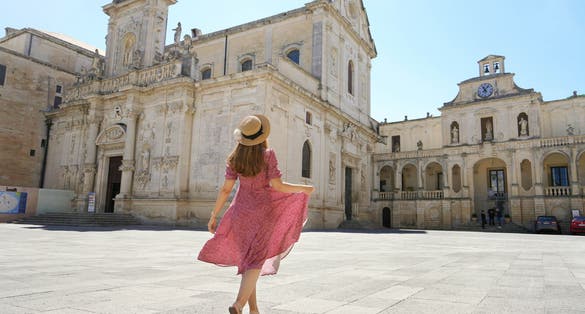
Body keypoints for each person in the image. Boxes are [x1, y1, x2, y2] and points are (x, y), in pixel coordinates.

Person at [198, 114, 315, 314]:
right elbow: (277, 185)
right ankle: (239, 304)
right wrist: (303, 189)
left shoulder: (234, 158)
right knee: (255, 261)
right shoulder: (268, 154)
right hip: (263, 214)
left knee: (248, 261)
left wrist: (213, 215)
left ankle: (254, 309)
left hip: (239, 213)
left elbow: (226, 190)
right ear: (262, 135)